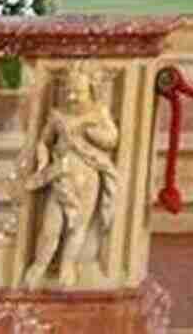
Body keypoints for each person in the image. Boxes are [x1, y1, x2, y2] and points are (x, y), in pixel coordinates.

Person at [22, 66, 120, 289]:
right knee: (51, 227)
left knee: (78, 227)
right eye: (68, 91)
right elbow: (43, 141)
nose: (72, 97)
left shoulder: (98, 112)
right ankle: (39, 264)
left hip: (88, 174)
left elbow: (112, 139)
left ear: (91, 90)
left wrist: (93, 134)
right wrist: (43, 159)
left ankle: (68, 265)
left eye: (79, 92)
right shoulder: (58, 115)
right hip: (62, 174)